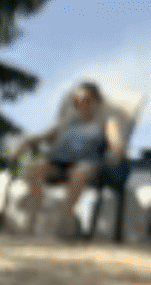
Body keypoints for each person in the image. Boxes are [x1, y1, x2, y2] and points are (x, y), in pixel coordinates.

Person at [17, 81, 125, 235]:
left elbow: (117, 145)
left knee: (80, 171)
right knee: (39, 165)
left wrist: (114, 154)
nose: (82, 104)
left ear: (97, 102)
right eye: (77, 101)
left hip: (87, 165)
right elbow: (46, 135)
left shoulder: (106, 121)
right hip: (59, 163)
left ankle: (64, 221)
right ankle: (29, 220)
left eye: (87, 100)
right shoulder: (68, 121)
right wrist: (25, 142)